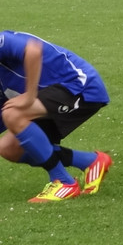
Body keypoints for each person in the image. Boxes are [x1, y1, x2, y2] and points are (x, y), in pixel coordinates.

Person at [0, 30, 112, 203]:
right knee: (8, 148)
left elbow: (33, 50)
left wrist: (30, 96)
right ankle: (91, 161)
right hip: (49, 97)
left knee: (12, 114)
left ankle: (63, 182)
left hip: (78, 85)